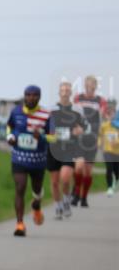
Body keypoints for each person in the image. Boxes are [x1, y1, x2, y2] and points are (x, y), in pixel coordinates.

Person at [6, 86, 51, 237]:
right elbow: (9, 126)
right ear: (24, 96)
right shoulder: (16, 112)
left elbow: (54, 136)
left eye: (34, 95)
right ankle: (20, 224)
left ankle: (36, 204)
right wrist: (10, 137)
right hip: (19, 157)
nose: (31, 98)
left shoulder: (46, 115)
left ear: (39, 97)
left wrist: (42, 137)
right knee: (20, 187)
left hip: (38, 160)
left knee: (37, 190)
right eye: (28, 95)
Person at [46, 81, 86, 219]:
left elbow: (85, 126)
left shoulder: (77, 110)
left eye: (67, 90)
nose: (65, 93)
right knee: (54, 182)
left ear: (70, 93)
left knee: (65, 178)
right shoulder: (51, 109)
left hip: (69, 148)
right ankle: (58, 206)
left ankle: (66, 199)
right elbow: (45, 126)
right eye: (62, 90)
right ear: (59, 93)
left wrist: (81, 129)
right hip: (53, 149)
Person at [73, 76, 108, 207]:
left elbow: (103, 115)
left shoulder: (100, 100)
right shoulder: (78, 98)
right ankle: (76, 192)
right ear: (85, 85)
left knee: (87, 171)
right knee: (78, 167)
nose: (90, 88)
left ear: (95, 87)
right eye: (88, 85)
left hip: (92, 139)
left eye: (92, 85)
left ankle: (84, 197)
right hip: (80, 138)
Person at [100, 104, 119, 196]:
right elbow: (100, 136)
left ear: (115, 114)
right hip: (107, 151)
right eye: (108, 114)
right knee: (109, 168)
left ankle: (117, 180)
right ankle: (109, 187)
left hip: (117, 152)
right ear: (106, 115)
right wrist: (99, 143)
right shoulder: (104, 126)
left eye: (111, 114)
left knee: (116, 170)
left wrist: (117, 142)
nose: (110, 116)